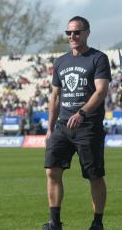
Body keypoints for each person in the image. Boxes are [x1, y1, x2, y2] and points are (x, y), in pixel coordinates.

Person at [43, 16, 111, 230]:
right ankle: (55, 222)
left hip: (88, 126)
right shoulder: (61, 61)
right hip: (63, 126)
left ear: (87, 33)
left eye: (76, 32)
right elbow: (54, 97)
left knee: (94, 175)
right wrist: (49, 128)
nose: (72, 36)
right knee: (52, 170)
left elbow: (101, 91)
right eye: (69, 33)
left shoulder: (98, 58)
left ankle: (97, 223)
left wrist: (82, 113)